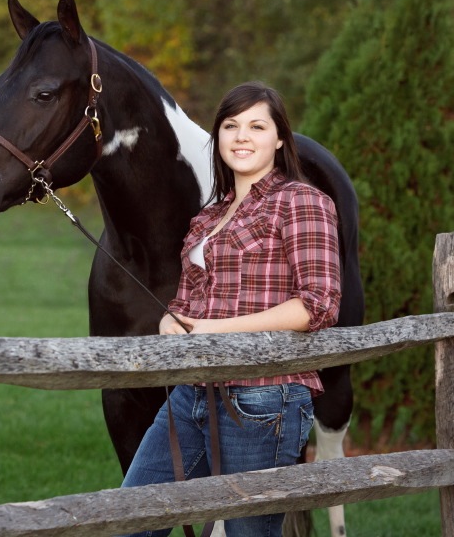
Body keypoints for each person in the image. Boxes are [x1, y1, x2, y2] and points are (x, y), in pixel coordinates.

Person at [119, 82, 341, 537]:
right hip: (192, 393)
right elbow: (186, 304)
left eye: (257, 126)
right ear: (217, 137)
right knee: (131, 520)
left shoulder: (302, 201)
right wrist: (170, 320)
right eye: (230, 126)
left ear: (280, 138)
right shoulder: (207, 216)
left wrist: (215, 330)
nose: (242, 136)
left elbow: (318, 305)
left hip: (263, 398)